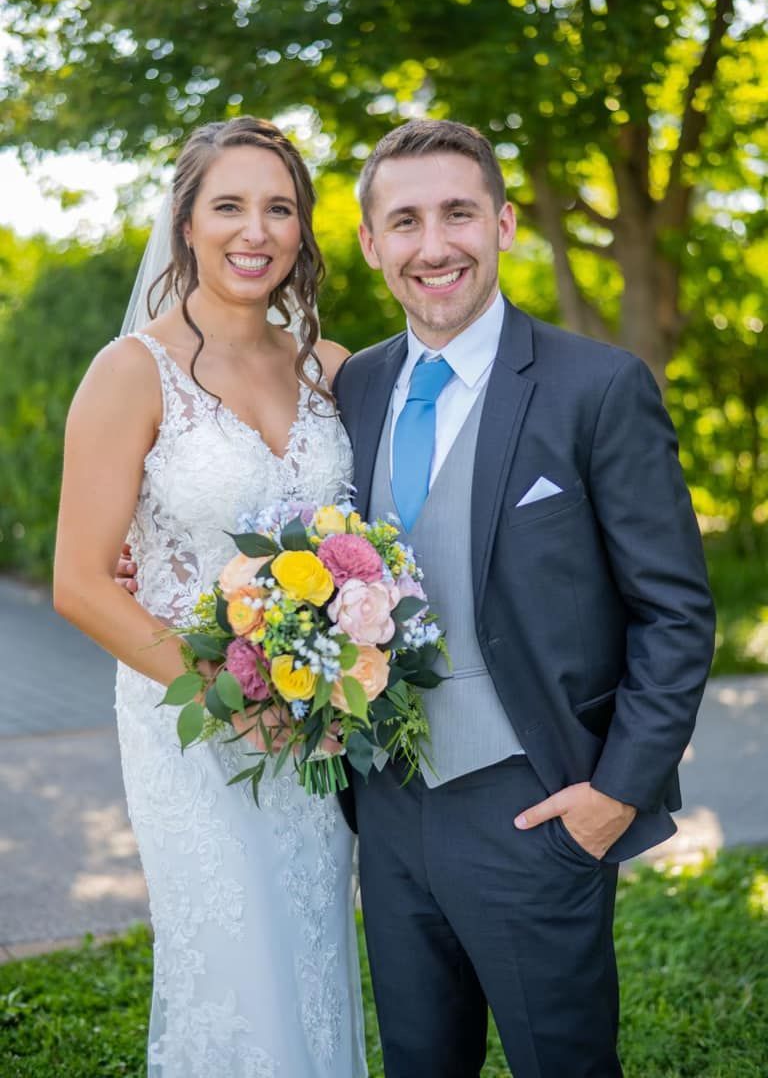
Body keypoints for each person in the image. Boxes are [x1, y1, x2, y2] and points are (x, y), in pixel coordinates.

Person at [330, 119, 716, 1078]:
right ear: (372, 243)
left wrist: (614, 795)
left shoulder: (597, 387)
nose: (434, 246)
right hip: (386, 804)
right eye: (406, 221)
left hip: (537, 801)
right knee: (421, 1061)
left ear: (502, 224)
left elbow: (675, 611)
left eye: (458, 213)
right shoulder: (351, 389)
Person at [54, 117, 367, 1078]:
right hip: (190, 727)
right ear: (186, 221)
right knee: (234, 968)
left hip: (317, 726)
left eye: (279, 208)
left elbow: (375, 545)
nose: (255, 230)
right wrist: (234, 695)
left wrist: (338, 670)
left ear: (304, 232)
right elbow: (78, 582)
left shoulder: (334, 369)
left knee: (312, 952)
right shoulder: (129, 372)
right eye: (228, 205)